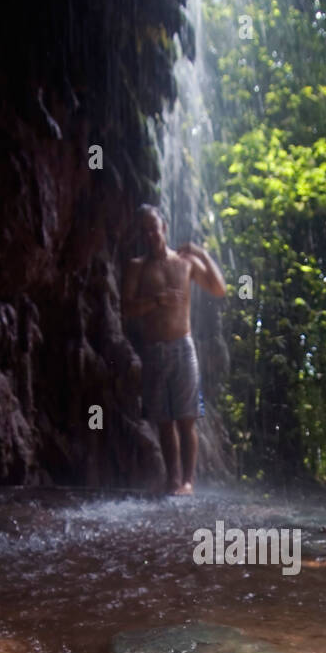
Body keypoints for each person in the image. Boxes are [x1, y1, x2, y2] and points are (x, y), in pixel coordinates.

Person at [122, 204, 226, 495]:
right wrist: (157, 300)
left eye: (154, 227)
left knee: (187, 417)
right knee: (164, 421)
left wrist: (201, 252)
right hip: (153, 349)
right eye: (144, 230)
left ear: (164, 227)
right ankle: (172, 480)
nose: (150, 233)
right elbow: (126, 309)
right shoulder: (136, 266)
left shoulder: (185, 263)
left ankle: (188, 482)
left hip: (183, 346)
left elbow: (219, 289)